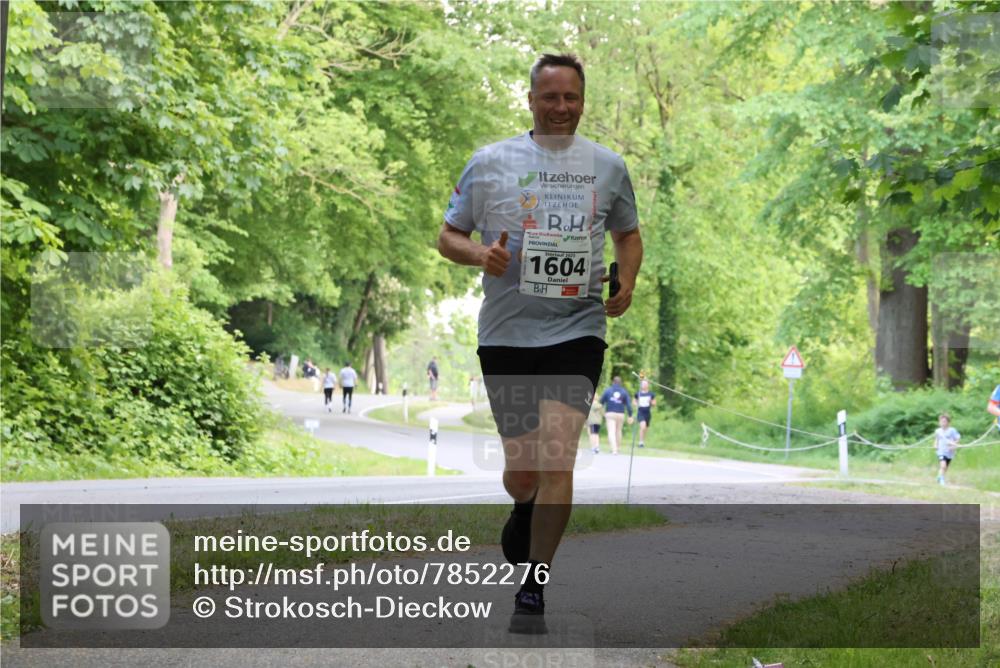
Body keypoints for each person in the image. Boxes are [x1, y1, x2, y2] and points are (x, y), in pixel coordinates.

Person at [437, 52, 643, 634]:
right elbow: (448, 235)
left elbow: (627, 236)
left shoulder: (608, 166)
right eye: (549, 97)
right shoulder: (490, 161)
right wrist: (481, 253)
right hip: (506, 334)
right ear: (530, 100)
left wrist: (627, 280)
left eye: (570, 97)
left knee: (558, 457)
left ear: (583, 100)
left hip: (577, 329)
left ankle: (534, 586)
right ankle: (524, 506)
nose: (560, 108)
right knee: (523, 472)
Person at [600, 376, 633, 455]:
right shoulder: (624, 391)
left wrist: (602, 412)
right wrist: (630, 415)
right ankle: (618, 448)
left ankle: (614, 450)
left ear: (613, 382)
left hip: (610, 413)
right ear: (620, 383)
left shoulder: (608, 390)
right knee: (618, 431)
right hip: (620, 414)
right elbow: (628, 405)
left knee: (611, 431)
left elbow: (601, 402)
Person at [934, 413, 961, 486]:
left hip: (949, 452)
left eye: (944, 421)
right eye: (941, 421)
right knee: (943, 466)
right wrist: (935, 445)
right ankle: (942, 480)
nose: (942, 423)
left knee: (945, 468)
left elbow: (957, 438)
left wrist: (954, 445)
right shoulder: (938, 431)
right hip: (941, 451)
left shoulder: (952, 430)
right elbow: (937, 439)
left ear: (948, 422)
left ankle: (939, 477)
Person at [634, 379, 656, 448]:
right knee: (642, 426)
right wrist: (636, 404)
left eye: (644, 384)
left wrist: (651, 402)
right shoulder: (638, 393)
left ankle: (642, 441)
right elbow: (634, 401)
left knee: (645, 428)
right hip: (640, 412)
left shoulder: (651, 394)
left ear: (647, 385)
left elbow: (654, 404)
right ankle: (640, 442)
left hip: (647, 413)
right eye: (642, 384)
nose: (643, 385)